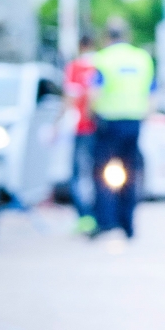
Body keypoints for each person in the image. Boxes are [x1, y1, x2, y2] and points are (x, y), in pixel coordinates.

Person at [90, 17, 154, 239]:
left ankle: (106, 222)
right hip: (134, 123)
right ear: (127, 36)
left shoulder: (103, 58)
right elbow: (152, 94)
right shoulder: (142, 58)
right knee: (131, 173)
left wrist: (93, 114)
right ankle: (128, 225)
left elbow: (94, 93)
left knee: (102, 173)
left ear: (106, 37)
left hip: (108, 124)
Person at [63, 33, 98, 232]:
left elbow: (70, 98)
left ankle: (85, 217)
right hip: (102, 128)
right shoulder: (101, 64)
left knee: (78, 175)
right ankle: (99, 215)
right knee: (97, 173)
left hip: (82, 128)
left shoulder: (75, 67)